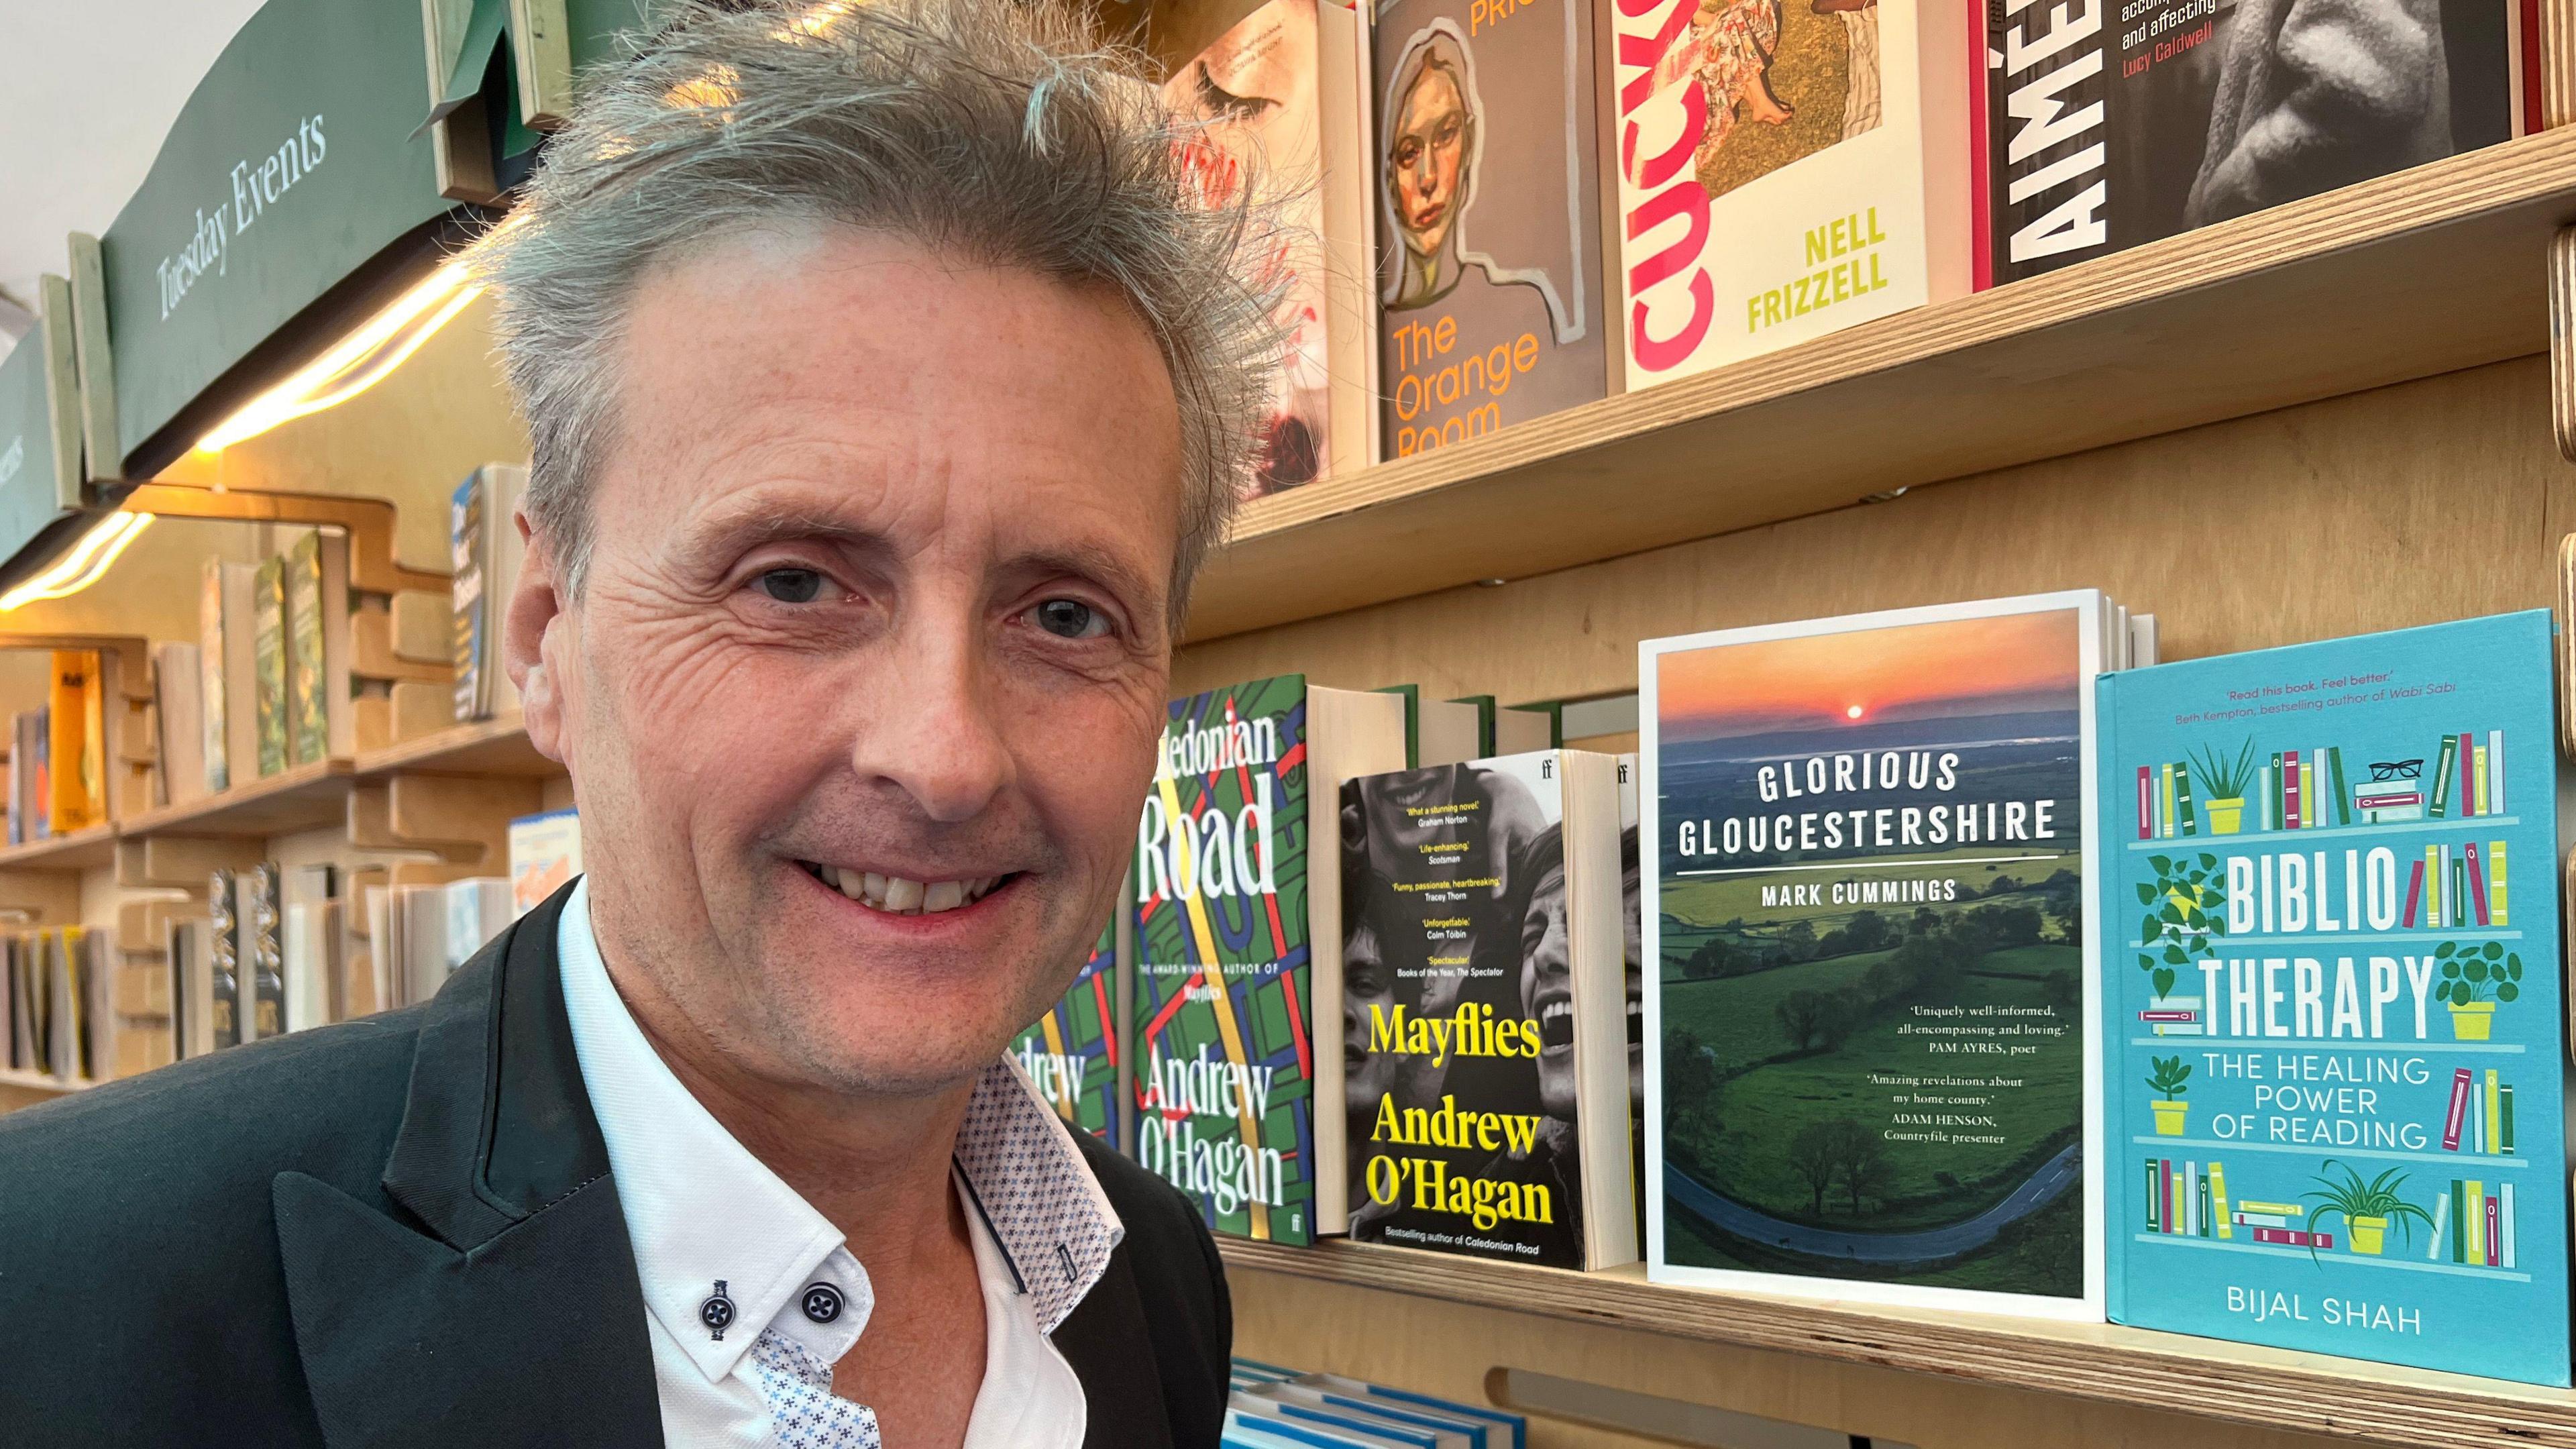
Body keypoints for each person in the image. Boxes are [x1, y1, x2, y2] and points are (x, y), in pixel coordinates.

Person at [0, 1, 1281, 1445]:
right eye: (793, 582)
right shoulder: (55, 1306)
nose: (945, 754)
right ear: (548, 638)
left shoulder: (1152, 1276)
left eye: (1063, 616)